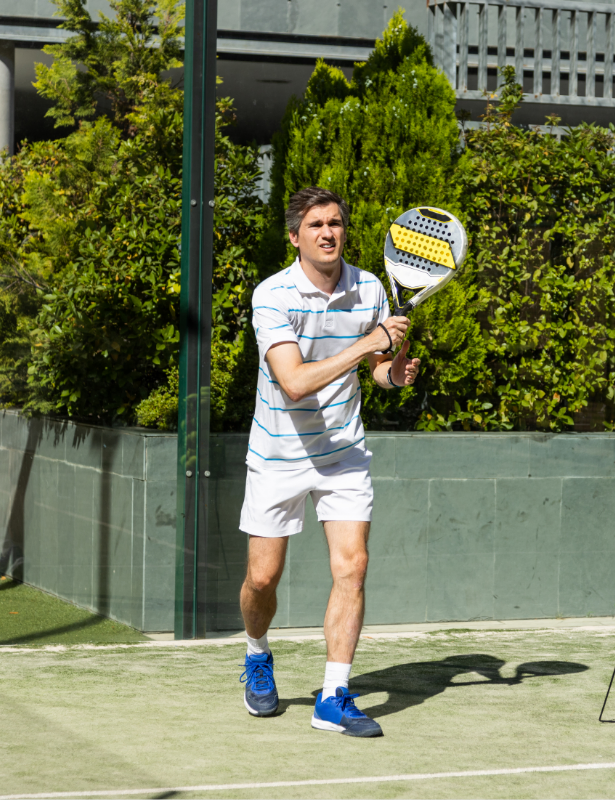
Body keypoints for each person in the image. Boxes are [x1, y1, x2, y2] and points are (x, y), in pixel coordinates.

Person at [237, 187, 419, 737]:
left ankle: (334, 695)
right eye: (315, 224)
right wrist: (369, 346)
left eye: (335, 222)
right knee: (262, 578)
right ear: (295, 237)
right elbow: (293, 383)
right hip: (277, 453)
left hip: (343, 454)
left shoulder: (369, 289)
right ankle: (256, 652)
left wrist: (393, 374)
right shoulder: (271, 295)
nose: (327, 232)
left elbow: (381, 369)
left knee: (353, 566)